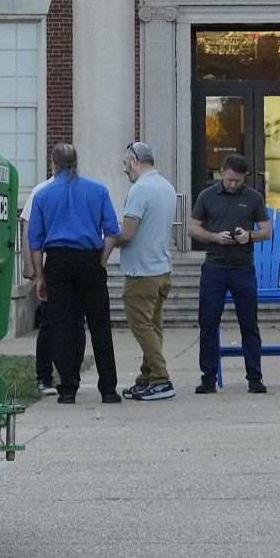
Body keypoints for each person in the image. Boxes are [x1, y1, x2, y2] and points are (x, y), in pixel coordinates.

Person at [26, 142, 123, 404]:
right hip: (89, 259)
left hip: (57, 260)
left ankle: (68, 387)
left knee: (61, 325)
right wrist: (101, 259)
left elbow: (35, 241)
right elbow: (113, 231)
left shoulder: (43, 195)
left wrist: (40, 277)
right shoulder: (98, 190)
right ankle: (109, 389)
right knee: (100, 325)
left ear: (53, 164)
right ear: (77, 163)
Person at [187, 153, 270, 395]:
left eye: (238, 181)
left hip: (243, 268)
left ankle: (254, 376)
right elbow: (193, 228)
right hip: (214, 267)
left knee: (249, 324)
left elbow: (266, 230)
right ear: (222, 172)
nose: (233, 184)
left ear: (244, 178)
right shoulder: (207, 196)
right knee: (209, 322)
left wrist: (249, 235)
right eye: (230, 179)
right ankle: (208, 377)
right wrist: (214, 237)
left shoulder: (253, 197)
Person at [114, 141, 179, 400]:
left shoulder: (140, 190)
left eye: (125, 163)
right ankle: (147, 377)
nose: (124, 169)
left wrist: (105, 237)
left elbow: (127, 234)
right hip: (162, 269)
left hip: (142, 272)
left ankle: (161, 379)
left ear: (134, 160)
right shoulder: (166, 186)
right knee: (154, 326)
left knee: (141, 325)